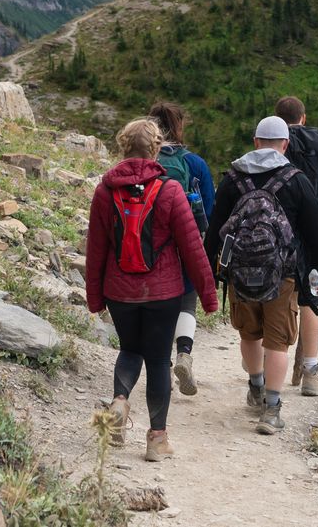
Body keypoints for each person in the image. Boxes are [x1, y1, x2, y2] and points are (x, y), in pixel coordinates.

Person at [86, 118, 219, 461]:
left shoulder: (105, 190)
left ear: (122, 146)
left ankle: (119, 402)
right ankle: (156, 440)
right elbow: (192, 247)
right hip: (163, 292)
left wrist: (94, 296)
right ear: (157, 147)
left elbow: (97, 248)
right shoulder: (170, 189)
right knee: (159, 359)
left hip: (120, 291)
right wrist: (208, 295)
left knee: (130, 350)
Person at [204, 116, 318, 436]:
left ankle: (256, 386)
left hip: (239, 273)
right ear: (286, 145)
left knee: (250, 334)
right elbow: (316, 230)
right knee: (278, 342)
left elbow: (215, 227)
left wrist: (209, 268)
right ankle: (272, 410)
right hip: (284, 275)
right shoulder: (296, 179)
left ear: (255, 141)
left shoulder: (233, 179)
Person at [147, 101, 217, 397]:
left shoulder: (145, 160)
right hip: (186, 240)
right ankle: (185, 354)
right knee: (187, 300)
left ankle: (161, 365)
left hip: (150, 241)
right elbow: (211, 208)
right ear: (179, 125)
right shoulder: (195, 163)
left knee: (158, 302)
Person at [276, 95, 318, 397]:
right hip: (316, 234)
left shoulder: (275, 142)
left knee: (280, 297)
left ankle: (270, 371)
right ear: (303, 117)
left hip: (281, 233)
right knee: (312, 301)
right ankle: (310, 372)